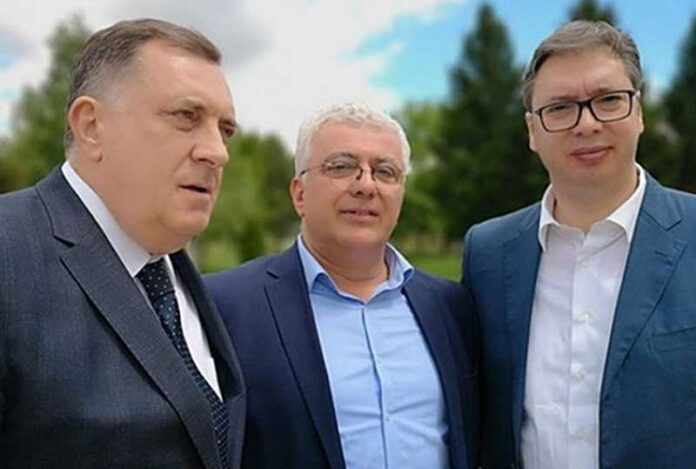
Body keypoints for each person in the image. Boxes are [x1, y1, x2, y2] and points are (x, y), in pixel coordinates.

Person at [0, 19, 245, 468]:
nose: (217, 151)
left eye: (225, 129)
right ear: (91, 125)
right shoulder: (9, 253)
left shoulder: (178, 274)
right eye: (186, 117)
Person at [463, 20, 696, 469]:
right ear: (532, 131)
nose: (587, 124)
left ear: (639, 113)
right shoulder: (488, 254)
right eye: (560, 107)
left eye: (608, 100)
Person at [206, 103, 478, 469]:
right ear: (299, 194)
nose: (365, 185)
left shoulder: (450, 306)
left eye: (385, 171)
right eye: (341, 167)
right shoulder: (226, 307)